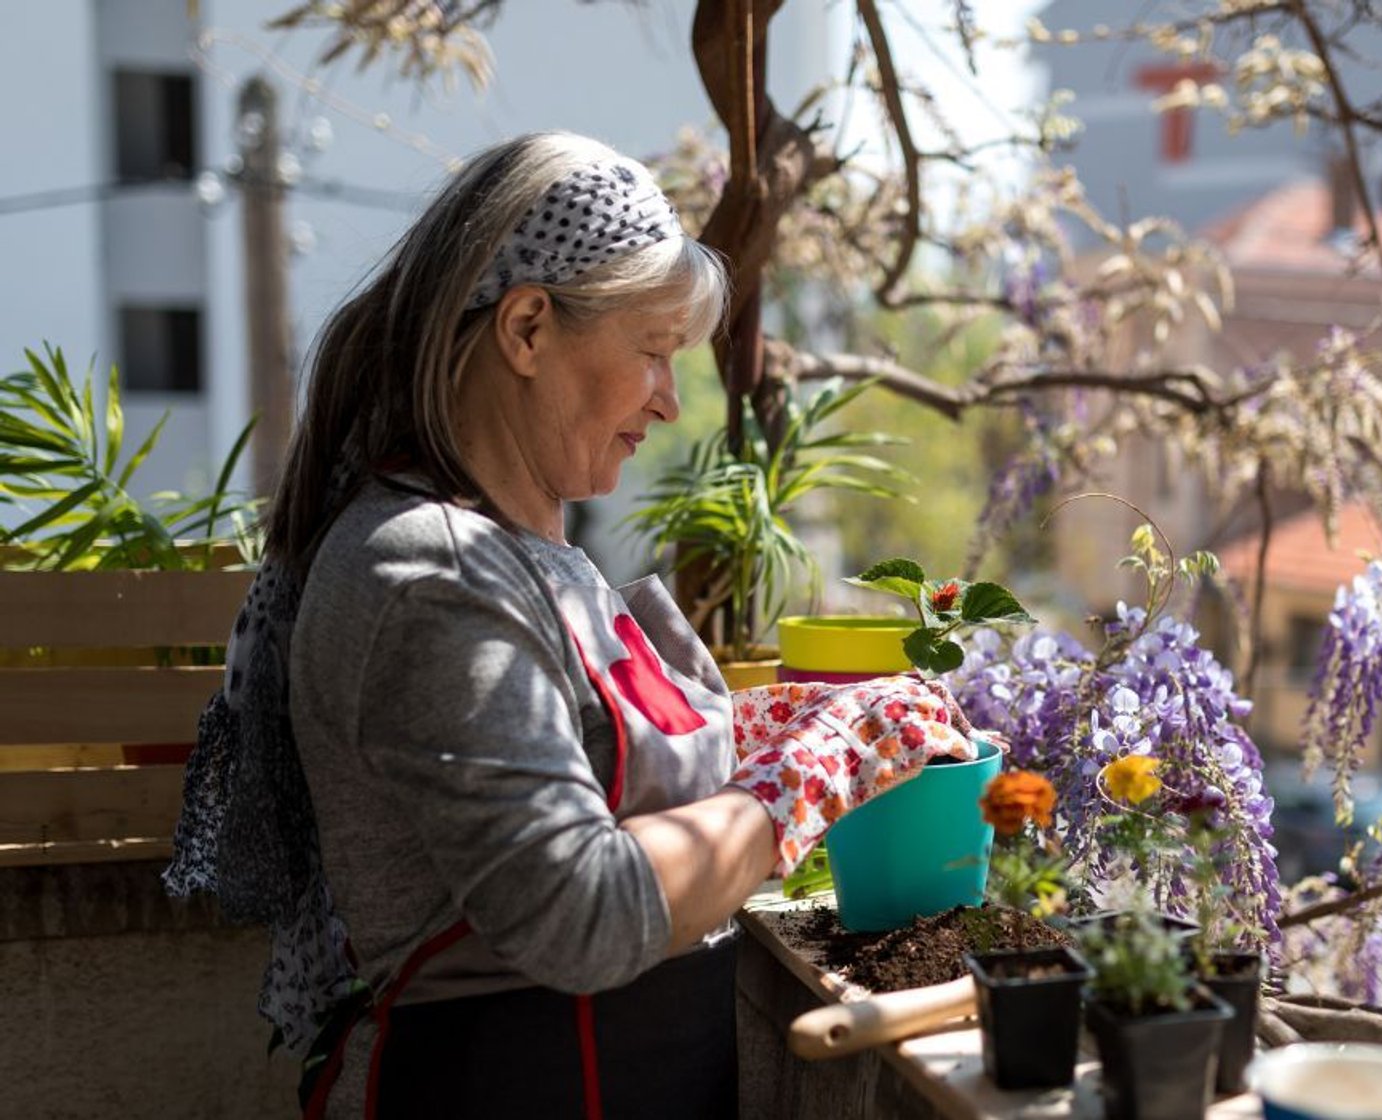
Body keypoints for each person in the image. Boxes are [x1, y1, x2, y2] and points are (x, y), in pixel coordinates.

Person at [163, 131, 977, 1119]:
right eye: (652, 351)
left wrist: (779, 731)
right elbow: (580, 912)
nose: (671, 402)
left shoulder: (511, 545)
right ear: (528, 329)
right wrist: (805, 779)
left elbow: (580, 764)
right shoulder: (429, 574)